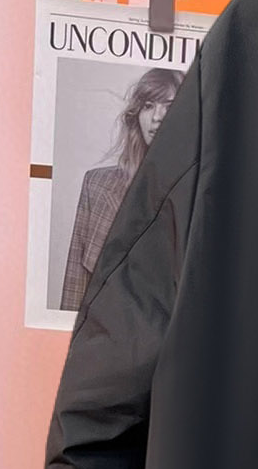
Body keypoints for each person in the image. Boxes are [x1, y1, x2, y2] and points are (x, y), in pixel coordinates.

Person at [60, 67, 180, 312]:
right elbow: (75, 287)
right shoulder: (97, 185)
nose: (157, 117)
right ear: (136, 115)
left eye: (169, 106)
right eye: (148, 106)